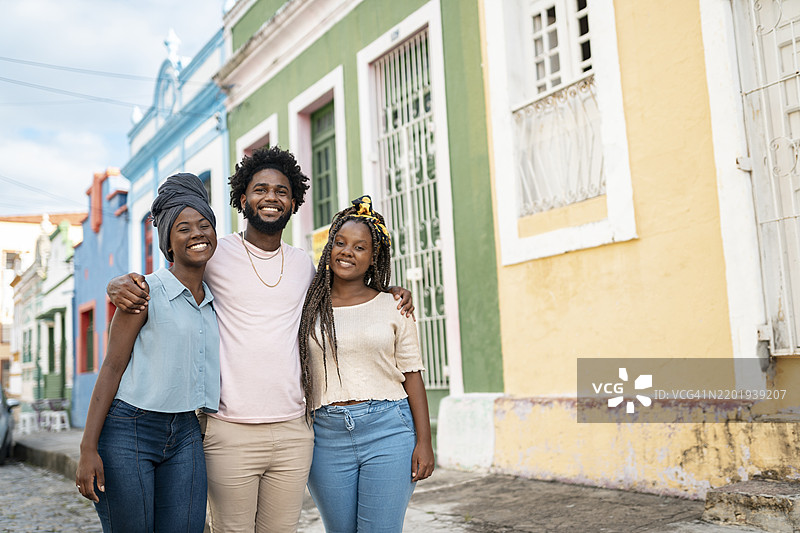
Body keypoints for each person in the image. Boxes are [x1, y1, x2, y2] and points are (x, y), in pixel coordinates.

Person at [107, 146, 414, 532]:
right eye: (260, 189)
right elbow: (170, 277)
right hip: (228, 429)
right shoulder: (215, 255)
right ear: (242, 198)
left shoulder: (304, 264)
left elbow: (349, 290)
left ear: (294, 202)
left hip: (294, 431)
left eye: (282, 191)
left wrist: (392, 291)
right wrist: (118, 283)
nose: (271, 197)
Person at [76, 173, 220, 532]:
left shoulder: (219, 296)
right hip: (129, 430)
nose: (197, 234)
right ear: (168, 243)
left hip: (187, 430)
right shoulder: (142, 293)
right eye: (183, 228)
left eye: (204, 225)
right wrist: (87, 449)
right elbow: (110, 367)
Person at [299, 195, 435, 533]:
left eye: (360, 248)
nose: (347, 251)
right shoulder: (307, 305)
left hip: (388, 429)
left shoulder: (393, 306)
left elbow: (412, 376)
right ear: (329, 248)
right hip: (326, 436)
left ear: (373, 257)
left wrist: (425, 442)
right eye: (340, 243)